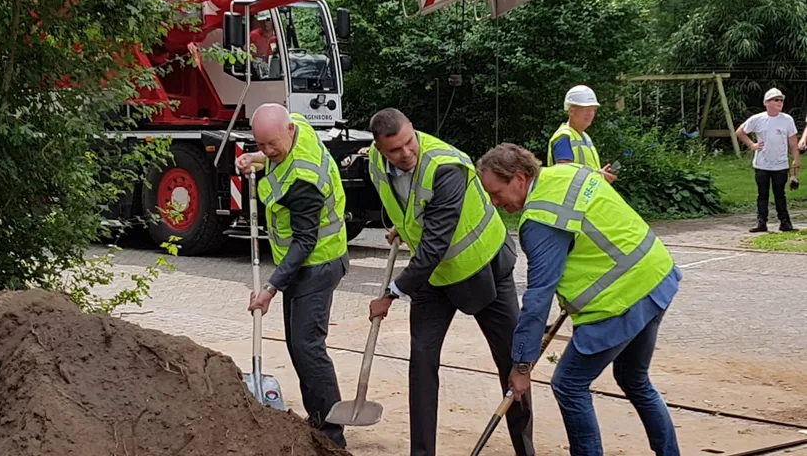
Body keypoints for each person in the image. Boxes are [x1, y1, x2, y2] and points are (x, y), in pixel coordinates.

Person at [477, 143, 682, 456]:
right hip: (656, 277)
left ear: (519, 177)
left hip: (620, 300)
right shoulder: (567, 173)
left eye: (496, 192)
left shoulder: (539, 220)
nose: (494, 202)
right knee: (633, 377)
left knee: (569, 384)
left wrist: (521, 364)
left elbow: (538, 296)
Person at [365, 108, 534, 456]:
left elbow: (436, 243)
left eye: (410, 141)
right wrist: (406, 224)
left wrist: (391, 293)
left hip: (483, 268)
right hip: (433, 279)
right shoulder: (375, 163)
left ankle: (525, 450)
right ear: (381, 149)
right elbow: (412, 205)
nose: (407, 152)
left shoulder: (446, 167)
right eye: (395, 149)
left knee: (512, 365)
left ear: (414, 131)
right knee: (422, 363)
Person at [236, 104, 348, 448]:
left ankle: (331, 436)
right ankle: (317, 422)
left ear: (289, 132)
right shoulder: (296, 124)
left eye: (272, 144)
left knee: (307, 346)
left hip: (318, 263)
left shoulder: (303, 178)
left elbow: (304, 242)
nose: (269, 151)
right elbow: (270, 149)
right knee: (298, 345)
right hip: (302, 265)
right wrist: (255, 158)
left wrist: (269, 289)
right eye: (261, 143)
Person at [736, 87, 800, 232]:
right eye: (776, 100)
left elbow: (793, 141)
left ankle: (785, 222)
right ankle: (761, 222)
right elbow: (740, 132)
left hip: (781, 163)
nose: (780, 102)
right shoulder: (757, 119)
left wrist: (796, 160)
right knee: (762, 194)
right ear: (767, 102)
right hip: (762, 163)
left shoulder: (787, 119)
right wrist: (752, 144)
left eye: (781, 100)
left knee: (780, 194)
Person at [547, 84, 617, 183]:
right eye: (585, 109)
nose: (590, 114)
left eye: (593, 109)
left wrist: (600, 175)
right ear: (571, 111)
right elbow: (565, 176)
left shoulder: (585, 137)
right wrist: (598, 176)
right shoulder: (564, 137)